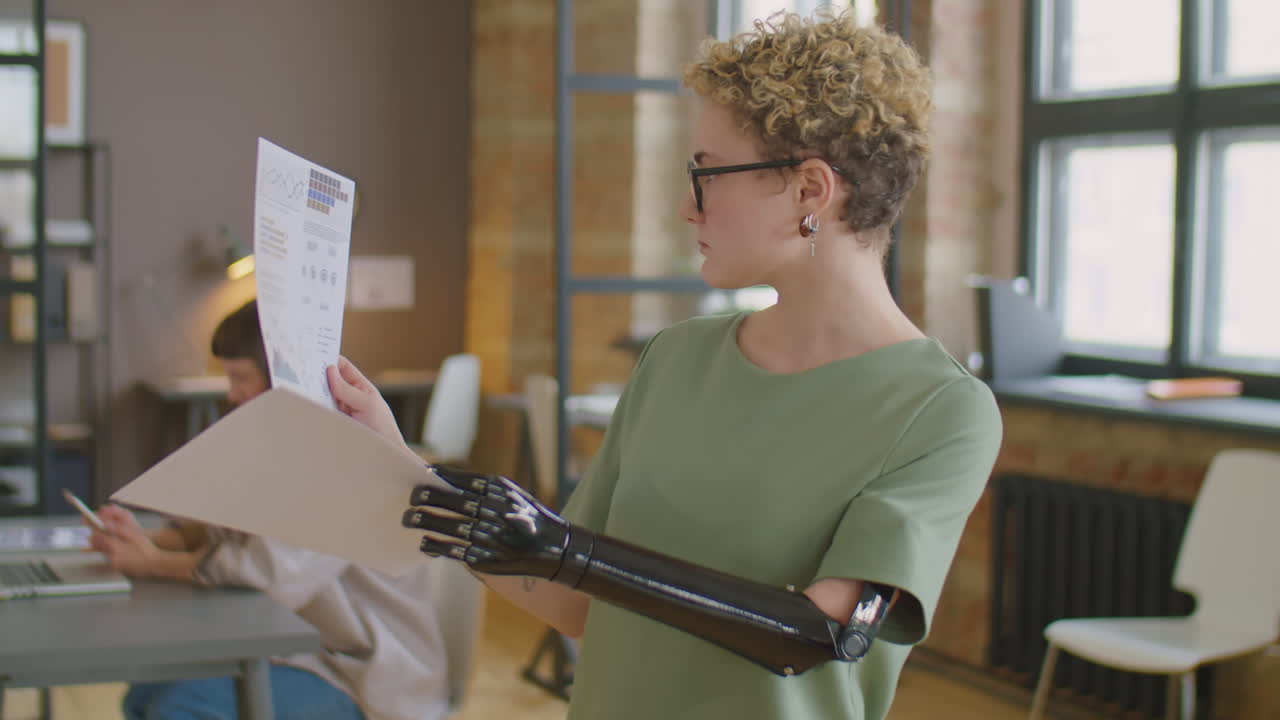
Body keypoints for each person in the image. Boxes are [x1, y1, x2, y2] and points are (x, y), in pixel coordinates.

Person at [328, 11, 1001, 720]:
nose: (687, 206)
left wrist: (561, 548)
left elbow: (819, 631)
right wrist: (401, 469)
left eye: (706, 174)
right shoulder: (678, 359)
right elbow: (569, 600)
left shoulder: (942, 411)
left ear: (810, 191)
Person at [90, 300, 450, 720]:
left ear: (284, 376)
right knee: (145, 695)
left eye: (240, 377)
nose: (231, 392)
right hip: (301, 649)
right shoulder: (283, 446)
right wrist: (142, 538)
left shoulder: (341, 458)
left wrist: (151, 563)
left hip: (359, 673)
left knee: (178, 708)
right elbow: (229, 533)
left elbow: (264, 573)